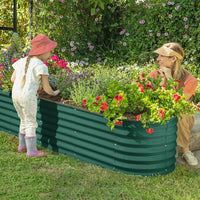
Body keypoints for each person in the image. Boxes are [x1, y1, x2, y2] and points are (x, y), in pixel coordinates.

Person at [149, 42, 198, 166]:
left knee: (181, 112)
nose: (157, 59)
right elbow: (146, 99)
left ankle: (185, 150)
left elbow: (178, 103)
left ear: (173, 59)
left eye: (161, 56)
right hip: (160, 113)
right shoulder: (154, 75)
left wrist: (170, 80)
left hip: (183, 117)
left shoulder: (190, 80)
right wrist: (159, 86)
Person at [11, 34, 60, 157]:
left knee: (23, 120)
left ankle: (22, 146)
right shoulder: (41, 66)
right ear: (42, 51)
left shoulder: (21, 61)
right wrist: (55, 93)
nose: (50, 55)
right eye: (49, 52)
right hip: (27, 97)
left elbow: (12, 79)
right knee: (31, 122)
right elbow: (47, 89)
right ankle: (32, 151)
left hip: (16, 95)